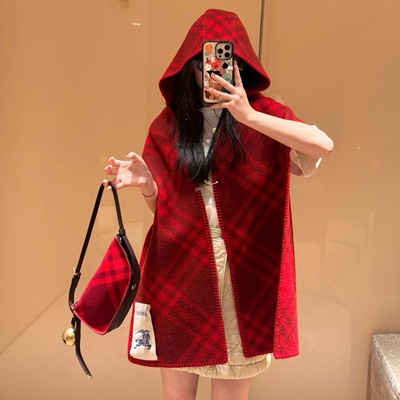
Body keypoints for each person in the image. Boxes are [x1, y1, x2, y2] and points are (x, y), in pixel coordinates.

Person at [103, 8, 333, 400]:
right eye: (207, 62)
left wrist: (248, 115)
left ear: (242, 64)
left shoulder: (266, 115)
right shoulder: (168, 126)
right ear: (188, 67)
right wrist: (147, 185)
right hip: (181, 274)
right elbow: (165, 213)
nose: (217, 71)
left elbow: (322, 145)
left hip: (242, 277)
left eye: (227, 60)